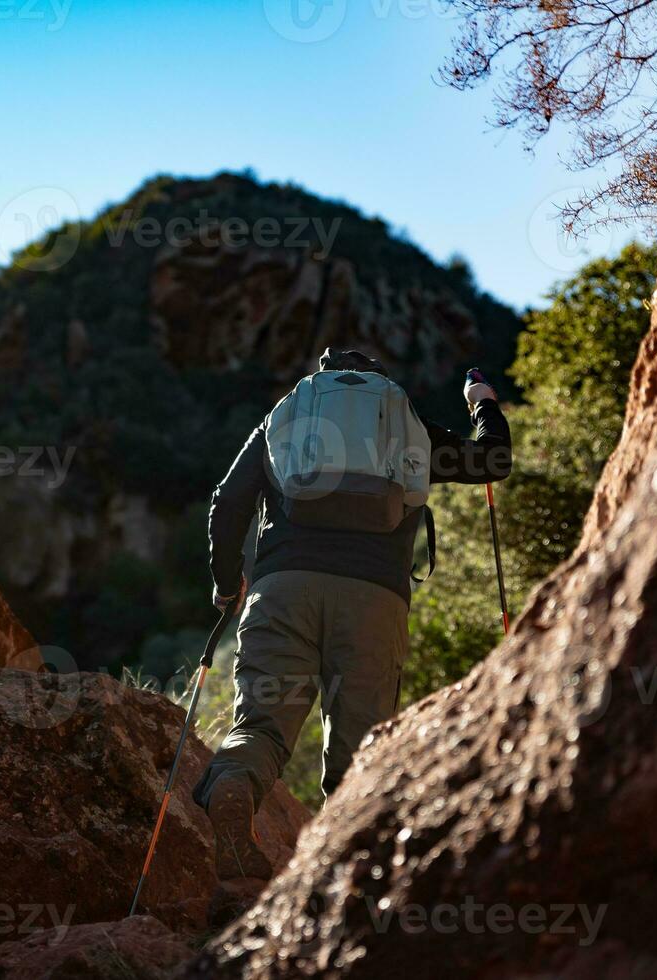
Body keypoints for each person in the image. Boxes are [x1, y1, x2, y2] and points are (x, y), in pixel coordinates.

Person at [192, 348, 512, 880]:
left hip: (284, 593)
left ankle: (233, 789)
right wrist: (482, 404)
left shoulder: (285, 419)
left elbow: (227, 502)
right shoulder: (405, 424)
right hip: (374, 602)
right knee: (357, 760)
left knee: (263, 729)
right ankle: (338, 892)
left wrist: (229, 585)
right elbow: (492, 463)